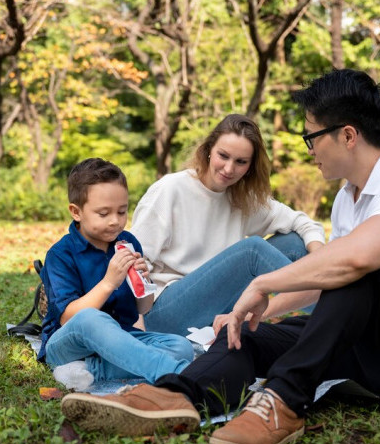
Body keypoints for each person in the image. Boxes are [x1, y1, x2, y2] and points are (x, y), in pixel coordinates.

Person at [59, 69, 380, 444]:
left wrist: (261, 284)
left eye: (312, 137)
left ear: (347, 135)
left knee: (357, 269)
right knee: (243, 332)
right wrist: (251, 310)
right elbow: (327, 282)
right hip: (358, 347)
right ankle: (177, 397)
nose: (309, 149)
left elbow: (356, 264)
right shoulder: (347, 198)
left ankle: (283, 403)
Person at [129, 114, 325, 336]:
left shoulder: (241, 198)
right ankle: (336, 304)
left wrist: (320, 259)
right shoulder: (170, 189)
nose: (229, 169)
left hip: (218, 306)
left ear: (250, 167)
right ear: (209, 150)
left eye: (241, 162)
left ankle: (334, 302)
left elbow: (303, 222)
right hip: (164, 312)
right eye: (223, 156)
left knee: (294, 242)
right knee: (252, 250)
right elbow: (133, 262)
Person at [37, 158, 194, 390]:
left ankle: (90, 370)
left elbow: (144, 308)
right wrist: (109, 282)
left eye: (122, 212)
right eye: (103, 213)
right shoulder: (61, 254)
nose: (115, 221)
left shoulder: (128, 242)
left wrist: (144, 281)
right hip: (67, 345)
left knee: (181, 347)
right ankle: (177, 374)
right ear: (76, 212)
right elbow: (70, 318)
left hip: (119, 337)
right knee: (92, 318)